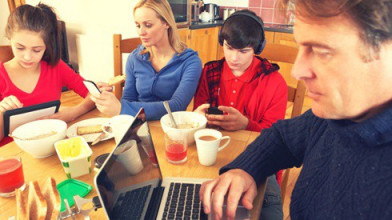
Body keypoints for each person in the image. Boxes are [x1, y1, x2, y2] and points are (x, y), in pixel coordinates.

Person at [200, 0, 392, 219]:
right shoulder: (333, 117)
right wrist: (245, 169)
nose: (297, 71)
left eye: (321, 50)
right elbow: (281, 137)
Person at [193, 10, 287, 219]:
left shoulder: (274, 82)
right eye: (228, 48)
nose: (233, 58)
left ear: (257, 48)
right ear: (222, 43)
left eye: (243, 51)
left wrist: (246, 124)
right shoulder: (209, 72)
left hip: (261, 162)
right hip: (215, 156)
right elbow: (199, 120)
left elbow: (276, 139)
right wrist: (196, 118)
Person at [91, 0, 202, 120]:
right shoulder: (134, 58)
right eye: (138, 25)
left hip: (171, 127)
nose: (141, 32)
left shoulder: (190, 62)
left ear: (166, 23)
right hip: (137, 124)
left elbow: (177, 106)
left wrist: (123, 108)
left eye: (148, 25)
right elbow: (128, 98)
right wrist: (109, 99)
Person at [0, 4, 95, 145]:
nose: (27, 57)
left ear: (47, 46)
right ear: (9, 39)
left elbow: (93, 94)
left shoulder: (55, 67)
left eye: (36, 50)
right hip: (13, 154)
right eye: (20, 48)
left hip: (52, 145)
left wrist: (73, 112)